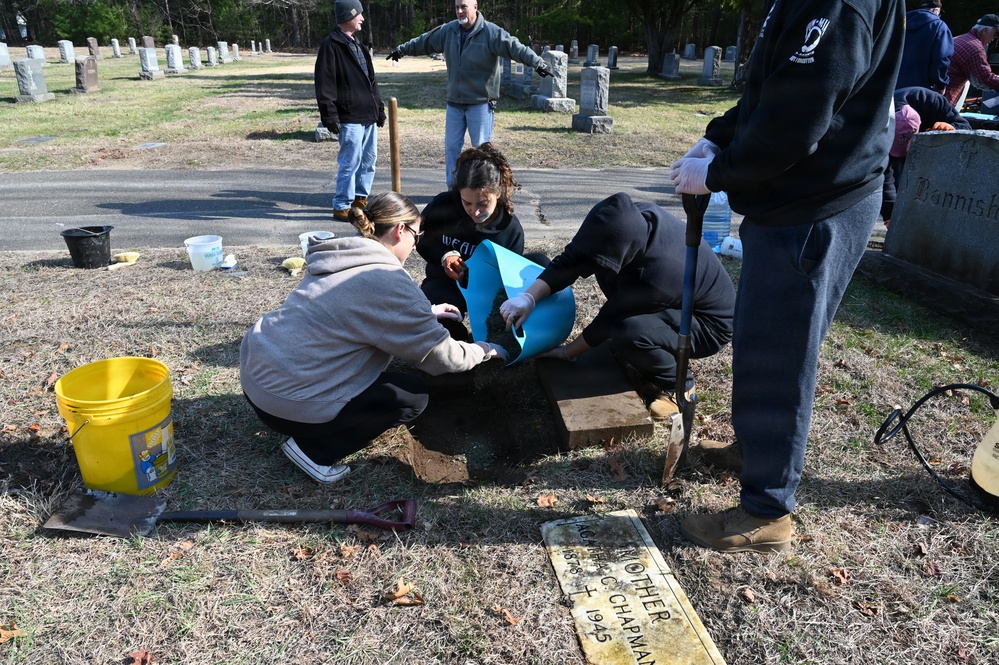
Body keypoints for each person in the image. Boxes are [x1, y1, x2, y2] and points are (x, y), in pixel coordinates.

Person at [670, 0, 904, 552]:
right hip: (794, 198)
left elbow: (797, 119)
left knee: (780, 351)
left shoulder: (838, 4)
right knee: (760, 339)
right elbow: (773, 89)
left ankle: (767, 509)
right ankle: (756, 449)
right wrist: (719, 135)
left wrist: (720, 173)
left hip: (815, 203)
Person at [240, 192, 507, 484]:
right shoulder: (389, 281)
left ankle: (306, 416)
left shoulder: (341, 256)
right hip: (288, 404)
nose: (415, 245)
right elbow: (444, 358)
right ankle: (314, 451)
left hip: (257, 380)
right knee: (411, 396)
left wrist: (425, 312)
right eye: (417, 237)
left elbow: (353, 308)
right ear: (400, 230)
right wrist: (485, 349)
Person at [499, 192, 736, 420]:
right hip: (671, 299)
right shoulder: (623, 216)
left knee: (628, 331)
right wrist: (528, 298)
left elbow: (609, 319)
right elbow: (572, 259)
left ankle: (680, 386)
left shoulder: (659, 276)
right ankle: (652, 334)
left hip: (707, 325)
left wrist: (567, 352)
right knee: (603, 268)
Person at [386, 0, 552, 187]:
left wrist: (538, 63)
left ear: (475, 6)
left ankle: (482, 189)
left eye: (463, 6)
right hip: (454, 103)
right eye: (456, 7)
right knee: (451, 148)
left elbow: (515, 47)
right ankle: (453, 189)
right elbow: (425, 41)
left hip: (480, 103)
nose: (459, 11)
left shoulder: (491, 32)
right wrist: (402, 50)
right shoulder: (449, 30)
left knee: (481, 150)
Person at [416, 142, 546, 341]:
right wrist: (444, 255)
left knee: (541, 264)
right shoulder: (443, 205)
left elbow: (509, 283)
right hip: (445, 285)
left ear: (499, 193)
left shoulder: (510, 229)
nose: (475, 211)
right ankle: (457, 341)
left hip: (489, 295)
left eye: (483, 203)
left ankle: (491, 335)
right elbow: (421, 237)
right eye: (466, 202)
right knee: (433, 312)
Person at [315, 0, 386, 221]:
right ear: (348, 16)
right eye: (359, 14)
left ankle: (359, 199)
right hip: (350, 117)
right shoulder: (332, 45)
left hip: (368, 115)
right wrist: (329, 115)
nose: (363, 18)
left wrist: (379, 108)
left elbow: (371, 82)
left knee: (369, 161)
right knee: (350, 162)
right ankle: (341, 205)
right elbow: (324, 83)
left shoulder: (358, 45)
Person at [881, 87, 971, 223]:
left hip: (933, 153)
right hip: (889, 135)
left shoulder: (932, 101)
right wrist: (890, 214)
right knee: (898, 179)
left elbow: (966, 128)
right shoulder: (881, 122)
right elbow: (884, 174)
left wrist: (952, 129)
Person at [895, 0, 953, 92]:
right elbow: (941, 59)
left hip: (893, 85)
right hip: (920, 90)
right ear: (935, 11)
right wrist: (941, 84)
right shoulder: (939, 26)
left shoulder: (899, 22)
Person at [943, 14, 999, 109]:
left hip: (937, 92)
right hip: (945, 99)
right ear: (985, 31)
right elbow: (985, 78)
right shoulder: (975, 48)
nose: (995, 38)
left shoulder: (958, 39)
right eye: (995, 34)